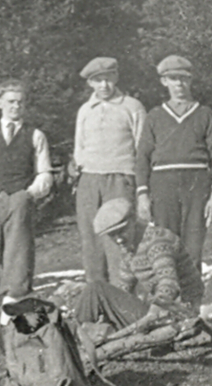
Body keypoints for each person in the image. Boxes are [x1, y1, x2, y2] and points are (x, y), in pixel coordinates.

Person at [0, 79, 53, 359]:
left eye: (20, 101)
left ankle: (5, 333)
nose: (16, 106)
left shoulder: (35, 135)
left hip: (19, 203)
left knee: (18, 267)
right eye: (11, 100)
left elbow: (45, 173)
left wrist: (28, 195)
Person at [135, 55, 212, 270]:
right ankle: (169, 298)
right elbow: (142, 157)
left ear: (190, 80)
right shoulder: (155, 116)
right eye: (173, 78)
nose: (178, 84)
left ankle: (192, 301)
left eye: (183, 79)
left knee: (193, 246)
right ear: (164, 82)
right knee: (165, 244)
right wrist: (142, 194)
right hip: (163, 184)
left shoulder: (204, 114)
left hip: (197, 184)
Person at [70, 57, 146, 284]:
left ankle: (124, 300)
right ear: (90, 83)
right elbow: (79, 146)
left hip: (120, 178)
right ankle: (98, 300)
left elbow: (142, 149)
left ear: (116, 78)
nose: (104, 85)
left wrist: (141, 186)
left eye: (108, 79)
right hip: (89, 181)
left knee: (118, 240)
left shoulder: (132, 107)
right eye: (98, 80)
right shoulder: (85, 110)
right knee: (91, 241)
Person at [73, 198, 203, 330]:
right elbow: (123, 289)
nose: (118, 239)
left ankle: (74, 330)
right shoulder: (129, 248)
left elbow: (169, 283)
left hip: (178, 313)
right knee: (97, 295)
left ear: (134, 220)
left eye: (122, 231)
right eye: (112, 235)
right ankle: (76, 330)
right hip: (160, 312)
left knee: (97, 289)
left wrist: (153, 314)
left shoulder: (157, 241)